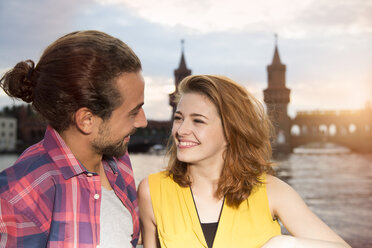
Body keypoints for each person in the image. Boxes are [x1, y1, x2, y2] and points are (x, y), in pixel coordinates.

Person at [138, 75, 351, 248]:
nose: (181, 130)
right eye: (178, 118)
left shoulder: (271, 191)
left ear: (230, 130)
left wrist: (283, 244)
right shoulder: (152, 190)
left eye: (198, 120)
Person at [0, 30, 147, 247]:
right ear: (86, 119)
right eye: (134, 112)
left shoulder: (119, 163)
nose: (143, 122)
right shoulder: (17, 198)